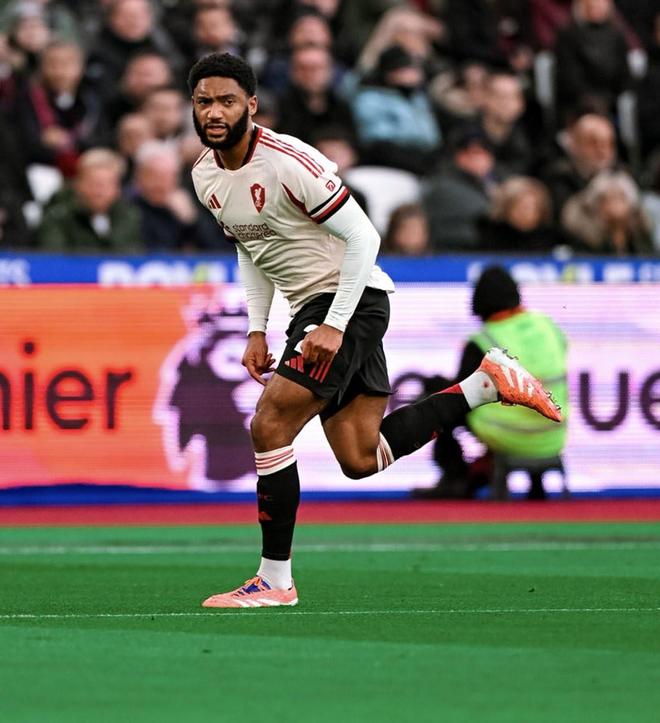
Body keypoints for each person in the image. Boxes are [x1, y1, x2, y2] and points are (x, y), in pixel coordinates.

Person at [188, 53, 561, 608]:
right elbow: (251, 247)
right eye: (203, 102)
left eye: (226, 101)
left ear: (252, 105)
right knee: (361, 458)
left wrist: (334, 325)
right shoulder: (205, 176)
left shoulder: (289, 162)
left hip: (349, 302)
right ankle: (485, 385)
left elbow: (365, 237)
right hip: (318, 309)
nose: (214, 112)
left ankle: (275, 581)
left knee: (269, 425)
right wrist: (256, 329)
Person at [413, 266, 569, 500]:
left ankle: (455, 477)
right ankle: (535, 483)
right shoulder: (548, 327)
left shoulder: (484, 342)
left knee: (438, 402)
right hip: (554, 436)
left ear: (479, 304)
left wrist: (434, 385)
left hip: (507, 435)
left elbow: (459, 398)